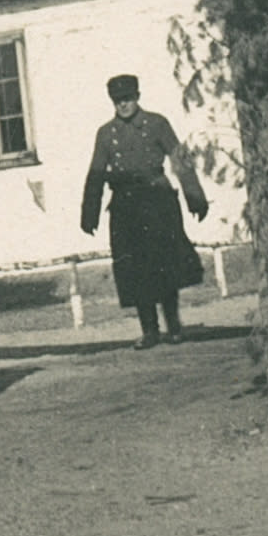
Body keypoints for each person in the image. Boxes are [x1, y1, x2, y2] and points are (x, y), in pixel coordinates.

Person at [79, 72, 210, 346]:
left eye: (127, 99)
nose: (123, 105)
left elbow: (180, 160)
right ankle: (149, 330)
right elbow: (96, 173)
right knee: (135, 269)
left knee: (165, 264)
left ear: (137, 97)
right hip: (125, 206)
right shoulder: (105, 134)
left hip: (157, 200)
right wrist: (89, 213)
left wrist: (195, 197)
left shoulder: (157, 124)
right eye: (118, 101)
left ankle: (174, 326)